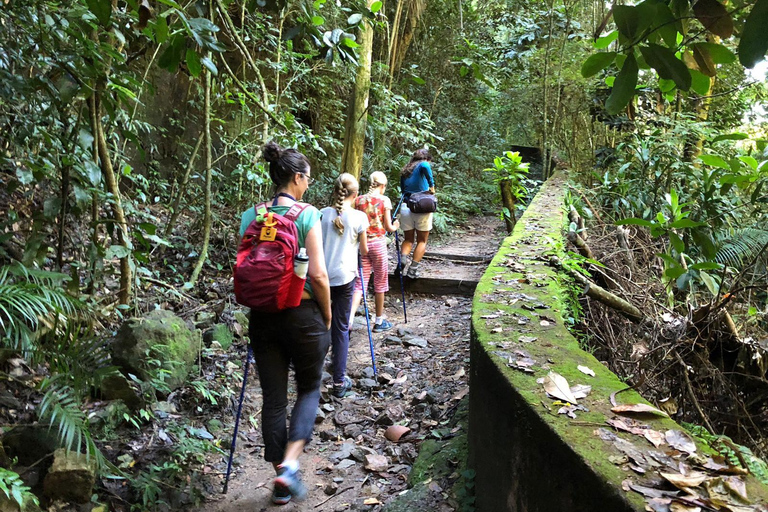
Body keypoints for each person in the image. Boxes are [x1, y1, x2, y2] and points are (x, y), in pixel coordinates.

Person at [239, 141, 331, 506]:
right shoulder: (309, 214)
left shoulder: (252, 215)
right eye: (307, 177)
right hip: (303, 313)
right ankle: (290, 465)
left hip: (262, 316)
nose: (308, 183)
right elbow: (320, 276)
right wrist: (326, 314)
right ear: (296, 177)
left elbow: (247, 265)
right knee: (309, 388)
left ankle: (279, 479)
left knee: (274, 399)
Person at [320, 173, 369, 398]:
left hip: (320, 276)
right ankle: (339, 382)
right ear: (355, 194)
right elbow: (365, 251)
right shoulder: (359, 217)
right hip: (344, 277)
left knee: (320, 323)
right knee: (340, 327)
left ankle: (312, 374)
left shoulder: (320, 214)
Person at [350, 171, 400, 333]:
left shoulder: (358, 201)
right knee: (380, 281)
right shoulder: (384, 200)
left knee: (360, 283)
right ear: (383, 186)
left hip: (361, 245)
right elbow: (388, 227)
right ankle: (379, 320)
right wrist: (396, 226)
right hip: (378, 244)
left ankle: (348, 321)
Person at [399, 148, 435, 279]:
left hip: (406, 206)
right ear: (426, 158)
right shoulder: (424, 164)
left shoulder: (406, 170)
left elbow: (403, 191)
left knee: (408, 239)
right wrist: (432, 186)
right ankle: (413, 269)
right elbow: (425, 166)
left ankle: (403, 259)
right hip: (422, 206)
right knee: (422, 240)